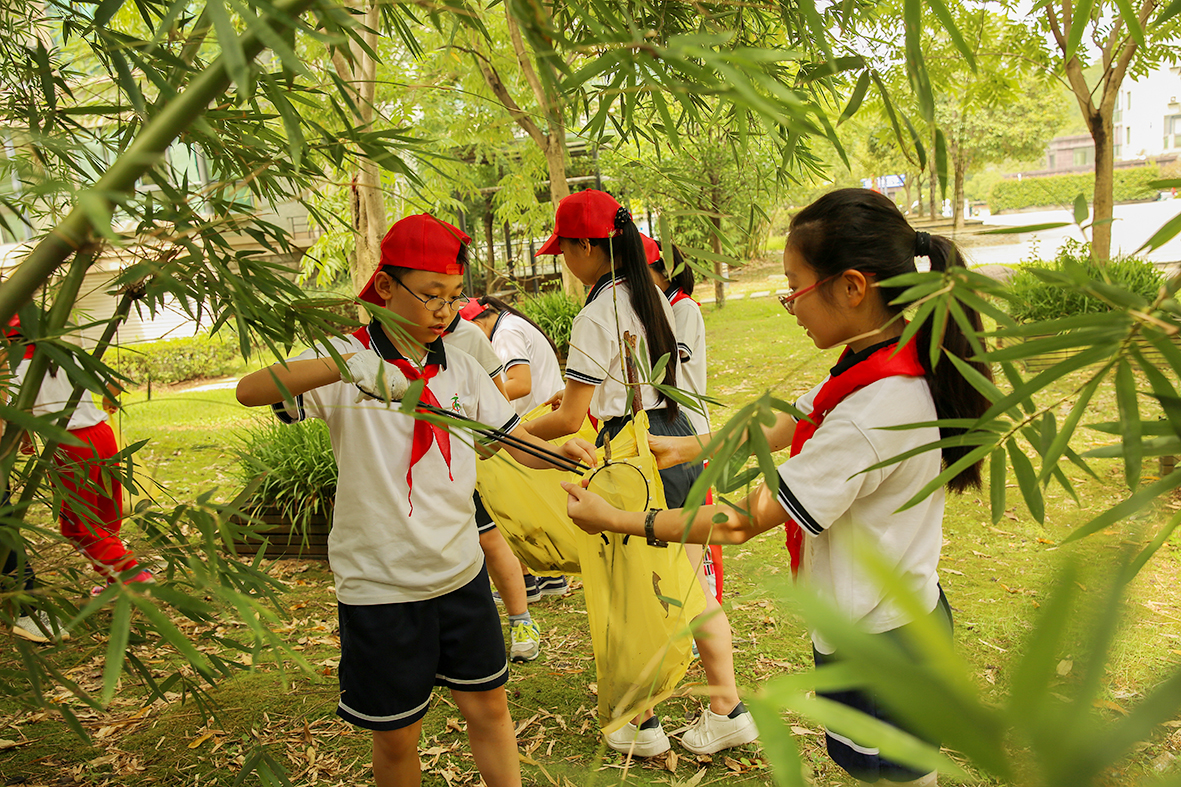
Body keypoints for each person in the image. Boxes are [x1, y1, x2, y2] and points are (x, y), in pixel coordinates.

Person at [563, 188, 992, 787]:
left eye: (794, 284)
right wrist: (691, 446)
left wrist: (616, 520)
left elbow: (739, 522)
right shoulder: (881, 355)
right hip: (875, 618)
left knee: (900, 778)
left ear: (852, 286)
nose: (788, 302)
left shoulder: (876, 412)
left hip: (884, 642)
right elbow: (792, 416)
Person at [235, 213, 596, 787]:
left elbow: (510, 444)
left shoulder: (461, 366)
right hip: (380, 582)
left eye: (454, 297)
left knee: (489, 710)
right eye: (430, 295)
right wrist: (350, 364)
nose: (443, 311)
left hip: (459, 572)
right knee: (398, 736)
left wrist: (562, 446)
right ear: (384, 287)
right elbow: (249, 390)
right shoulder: (344, 361)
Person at [527, 190, 757, 757]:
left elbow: (574, 416)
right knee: (688, 579)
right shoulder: (652, 294)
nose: (564, 262)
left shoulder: (594, 312)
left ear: (586, 247)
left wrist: (519, 432)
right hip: (676, 441)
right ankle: (727, 706)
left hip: (631, 450)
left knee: (630, 589)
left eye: (565, 251)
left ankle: (640, 720)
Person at [2, 314, 152, 602]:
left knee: (79, 525)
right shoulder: (64, 353)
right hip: (102, 434)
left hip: (69, 445)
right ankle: (116, 579)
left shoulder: (14, 367)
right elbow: (111, 385)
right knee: (106, 515)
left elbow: (16, 413)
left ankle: (132, 574)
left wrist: (23, 440)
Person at [439, 308, 544, 663]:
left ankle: (521, 620)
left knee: (490, 539)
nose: (442, 307)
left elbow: (498, 403)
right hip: (418, 481)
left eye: (453, 296)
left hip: (466, 464)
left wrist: (487, 441)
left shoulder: (467, 337)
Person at [465, 295, 569, 600]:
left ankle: (526, 584)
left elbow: (520, 384)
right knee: (533, 506)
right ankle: (548, 581)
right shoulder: (510, 326)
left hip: (530, 424)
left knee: (512, 505)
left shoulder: (506, 333)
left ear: (477, 322)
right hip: (535, 422)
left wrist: (483, 400)